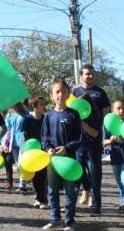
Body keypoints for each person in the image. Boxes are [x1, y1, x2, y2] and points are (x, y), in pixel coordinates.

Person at [41, 79, 82, 231]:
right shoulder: (48, 116)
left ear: (68, 95)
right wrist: (48, 149)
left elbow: (79, 138)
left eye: (63, 92)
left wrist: (66, 148)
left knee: (70, 191)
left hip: (69, 161)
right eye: (57, 92)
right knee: (52, 190)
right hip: (52, 161)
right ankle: (54, 218)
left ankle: (69, 220)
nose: (60, 94)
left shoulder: (74, 114)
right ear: (52, 96)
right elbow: (44, 137)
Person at [73, 64, 110, 215]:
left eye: (91, 74)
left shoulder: (100, 92)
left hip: (94, 139)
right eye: (87, 74)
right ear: (81, 75)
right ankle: (73, 202)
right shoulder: (74, 91)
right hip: (77, 139)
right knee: (76, 172)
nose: (90, 76)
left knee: (95, 173)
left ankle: (96, 205)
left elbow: (106, 113)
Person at [103, 100, 124, 214]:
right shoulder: (108, 124)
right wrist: (110, 140)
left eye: (123, 108)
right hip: (116, 157)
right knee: (119, 182)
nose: (121, 111)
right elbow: (103, 141)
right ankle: (123, 201)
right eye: (118, 108)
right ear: (113, 111)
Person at [22, 96, 48, 209]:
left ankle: (44, 200)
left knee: (43, 176)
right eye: (41, 104)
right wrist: (24, 151)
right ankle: (38, 198)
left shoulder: (45, 119)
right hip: (31, 152)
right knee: (35, 177)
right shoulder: (27, 119)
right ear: (34, 106)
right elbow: (23, 137)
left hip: (43, 151)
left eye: (44, 104)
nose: (44, 106)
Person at [6, 103, 29, 192]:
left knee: (21, 162)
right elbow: (8, 129)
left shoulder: (25, 112)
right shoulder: (10, 114)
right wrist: (6, 143)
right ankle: (23, 182)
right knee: (17, 163)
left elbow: (28, 120)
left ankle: (23, 184)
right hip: (13, 141)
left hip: (23, 140)